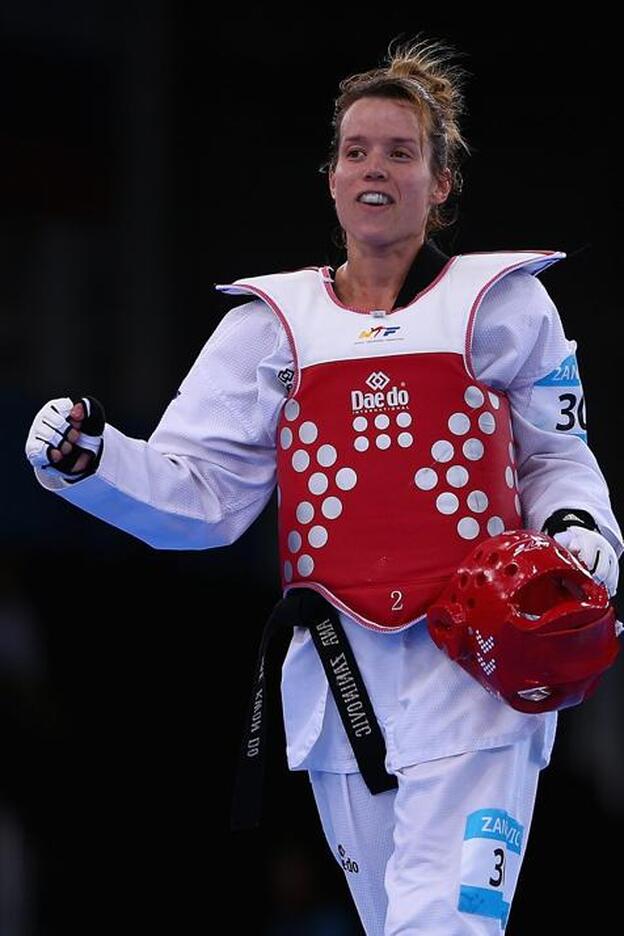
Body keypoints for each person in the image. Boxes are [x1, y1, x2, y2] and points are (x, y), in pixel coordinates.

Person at [25, 34, 622, 935]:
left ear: (441, 182)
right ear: (332, 178)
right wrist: (95, 461)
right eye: (355, 151)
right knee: (393, 924)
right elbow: (204, 498)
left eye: (400, 151)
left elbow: (558, 457)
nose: (374, 168)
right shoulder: (269, 328)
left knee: (444, 925)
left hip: (480, 661)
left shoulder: (503, 303)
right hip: (340, 673)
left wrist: (580, 532)